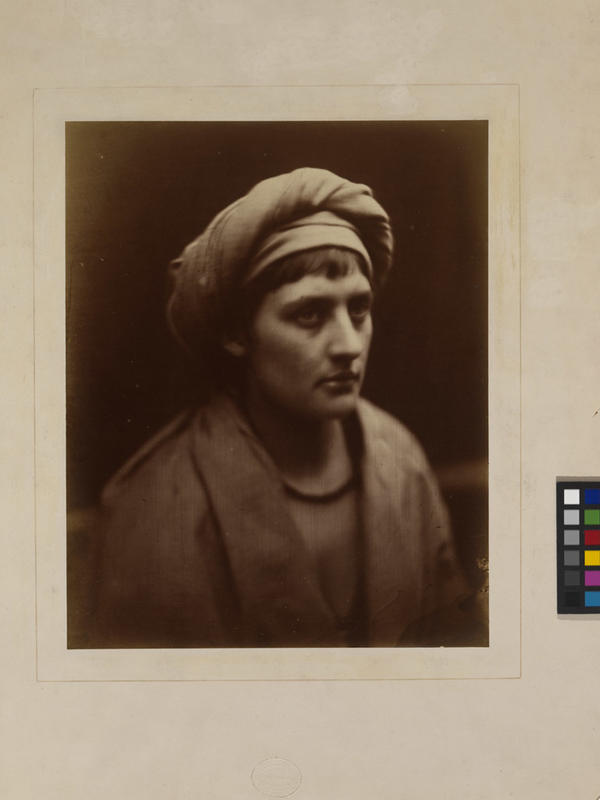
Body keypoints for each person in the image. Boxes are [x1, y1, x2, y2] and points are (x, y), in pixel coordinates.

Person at [90, 167, 470, 648]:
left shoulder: (401, 459)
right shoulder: (157, 506)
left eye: (358, 308)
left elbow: (452, 641)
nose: (349, 345)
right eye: (309, 313)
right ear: (236, 333)